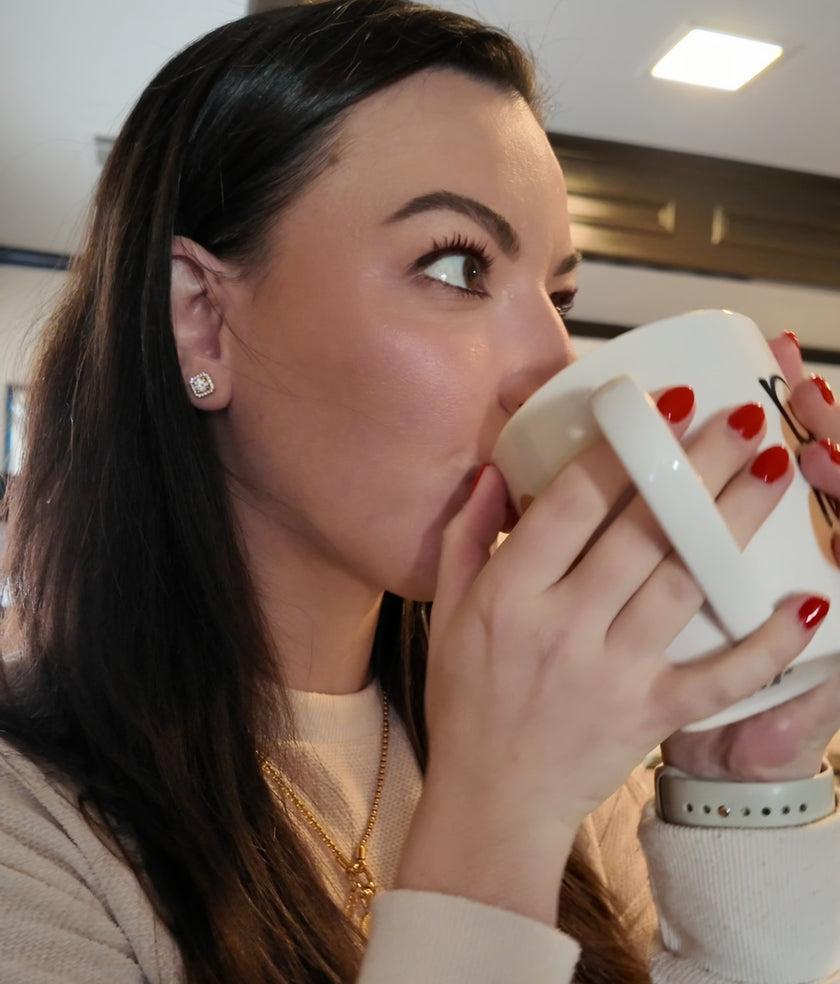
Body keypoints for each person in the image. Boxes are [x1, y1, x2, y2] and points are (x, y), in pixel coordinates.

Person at [1, 1, 839, 982]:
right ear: (203, 321)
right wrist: (500, 817)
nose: (553, 369)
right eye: (456, 265)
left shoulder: (563, 755)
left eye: (559, 298)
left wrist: (743, 772)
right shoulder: (32, 825)